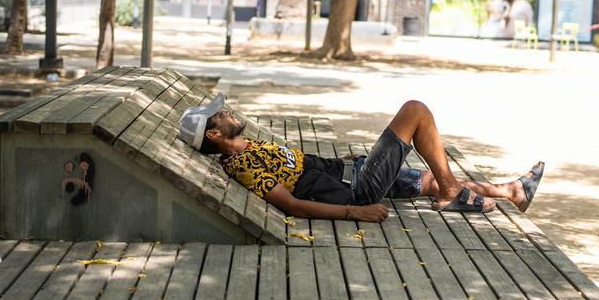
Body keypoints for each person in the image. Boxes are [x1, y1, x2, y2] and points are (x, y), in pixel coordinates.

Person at [179, 96, 544, 223]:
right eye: (219, 116)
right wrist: (358, 212)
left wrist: (342, 161)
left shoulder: (245, 147)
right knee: (415, 111)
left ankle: (512, 192)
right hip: (356, 193)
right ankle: (451, 193)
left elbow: (300, 169)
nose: (226, 113)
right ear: (213, 135)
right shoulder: (242, 165)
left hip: (351, 174)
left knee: (430, 178)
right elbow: (292, 206)